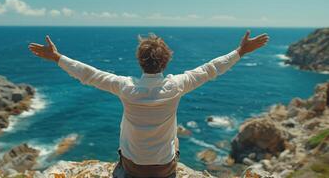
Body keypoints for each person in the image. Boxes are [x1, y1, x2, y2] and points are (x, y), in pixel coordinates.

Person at [28, 30, 269, 178]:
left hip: (133, 168)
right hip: (164, 169)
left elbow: (88, 74)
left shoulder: (126, 87)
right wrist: (240, 51)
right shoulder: (176, 86)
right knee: (172, 139)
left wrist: (57, 57)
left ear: (139, 61)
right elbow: (211, 69)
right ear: (166, 62)